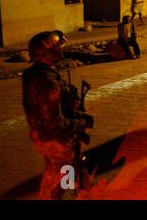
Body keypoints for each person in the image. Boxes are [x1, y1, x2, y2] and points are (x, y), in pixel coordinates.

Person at [22, 31, 92, 199]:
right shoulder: (48, 82)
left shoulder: (34, 73)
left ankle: (81, 190)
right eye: (57, 48)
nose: (61, 51)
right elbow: (56, 123)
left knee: (70, 172)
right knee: (55, 183)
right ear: (48, 53)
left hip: (45, 137)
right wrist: (81, 121)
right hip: (56, 140)